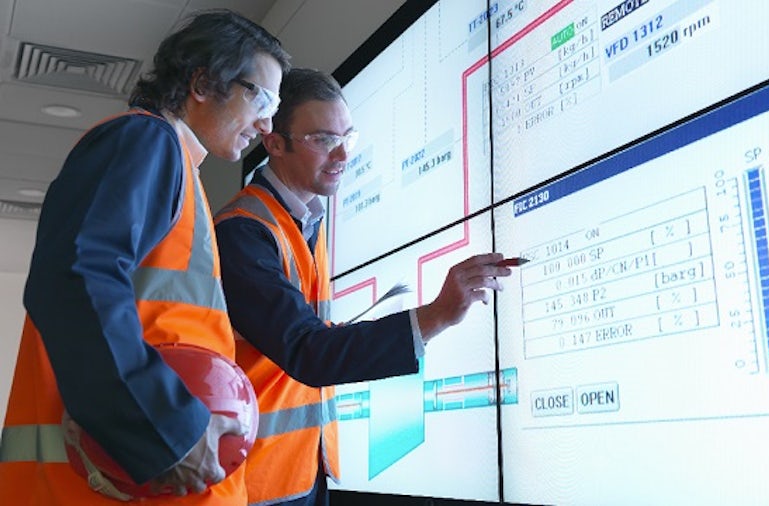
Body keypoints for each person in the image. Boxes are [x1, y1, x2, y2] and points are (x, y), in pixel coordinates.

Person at [0, 10, 290, 505]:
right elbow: (76, 280)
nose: (267, 122)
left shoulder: (180, 170)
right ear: (203, 82)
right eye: (261, 98)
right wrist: (166, 429)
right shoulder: (146, 141)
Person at [213, 68, 512, 506]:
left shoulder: (304, 220)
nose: (341, 156)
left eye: (346, 138)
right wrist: (435, 315)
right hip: (256, 484)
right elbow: (307, 352)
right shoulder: (243, 232)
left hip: (300, 473)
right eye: (321, 140)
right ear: (274, 143)